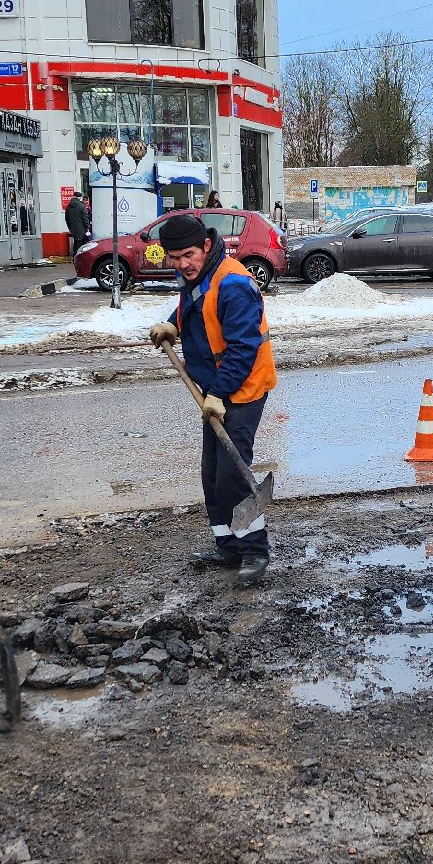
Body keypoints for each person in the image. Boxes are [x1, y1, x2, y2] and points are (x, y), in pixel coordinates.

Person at [145, 214, 276, 586]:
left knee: (233, 475)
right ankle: (228, 547)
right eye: (173, 258)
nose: (182, 264)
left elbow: (243, 348)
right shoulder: (199, 276)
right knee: (213, 473)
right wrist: (173, 323)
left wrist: (219, 393)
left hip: (242, 389)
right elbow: (194, 306)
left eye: (188, 255)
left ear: (205, 246)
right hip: (214, 390)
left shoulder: (234, 283)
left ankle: (254, 551)